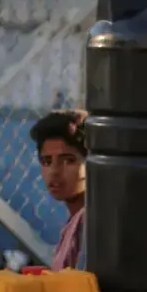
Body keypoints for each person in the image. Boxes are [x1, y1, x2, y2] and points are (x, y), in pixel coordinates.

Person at [30, 108, 87, 270]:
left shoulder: (91, 221)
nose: (54, 171)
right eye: (46, 161)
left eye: (68, 160)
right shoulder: (75, 222)